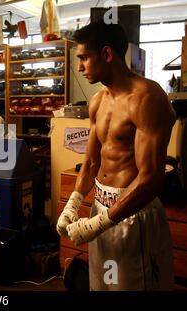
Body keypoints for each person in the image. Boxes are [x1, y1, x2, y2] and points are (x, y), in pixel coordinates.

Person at [56, 20, 176, 290]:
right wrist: (73, 204)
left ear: (107, 54)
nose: (79, 67)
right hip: (101, 208)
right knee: (104, 285)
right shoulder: (98, 101)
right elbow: (90, 161)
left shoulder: (146, 97)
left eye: (84, 58)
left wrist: (101, 222)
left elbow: (151, 178)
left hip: (133, 215)